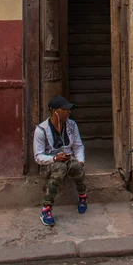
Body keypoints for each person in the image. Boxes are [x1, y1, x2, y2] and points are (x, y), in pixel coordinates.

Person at [33, 95, 87, 226]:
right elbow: (38, 156)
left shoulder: (71, 125)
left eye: (69, 109)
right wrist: (55, 158)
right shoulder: (41, 130)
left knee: (76, 166)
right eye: (65, 109)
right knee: (60, 168)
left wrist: (80, 161)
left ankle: (82, 196)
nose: (69, 112)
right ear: (55, 111)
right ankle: (46, 209)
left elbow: (78, 145)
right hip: (49, 163)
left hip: (67, 157)